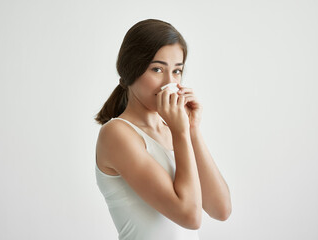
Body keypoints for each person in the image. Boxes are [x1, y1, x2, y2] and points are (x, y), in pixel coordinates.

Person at [94, 19, 232, 240]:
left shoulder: (175, 131)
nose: (169, 83)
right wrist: (181, 134)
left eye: (177, 71)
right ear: (131, 70)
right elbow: (190, 217)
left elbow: (221, 209)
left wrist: (192, 129)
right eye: (157, 69)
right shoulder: (117, 133)